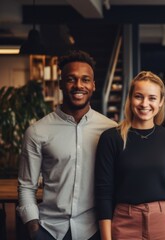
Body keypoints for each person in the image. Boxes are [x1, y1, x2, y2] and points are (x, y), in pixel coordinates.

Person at [17, 50, 118, 240]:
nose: (78, 85)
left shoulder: (111, 130)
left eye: (85, 79)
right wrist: (33, 228)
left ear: (93, 85)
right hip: (49, 230)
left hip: (95, 230)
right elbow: (26, 187)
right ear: (61, 84)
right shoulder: (37, 131)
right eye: (71, 79)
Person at [94, 71, 165, 240]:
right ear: (130, 98)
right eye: (139, 96)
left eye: (152, 98)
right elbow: (103, 192)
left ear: (161, 101)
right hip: (124, 222)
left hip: (163, 222)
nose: (144, 104)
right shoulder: (112, 138)